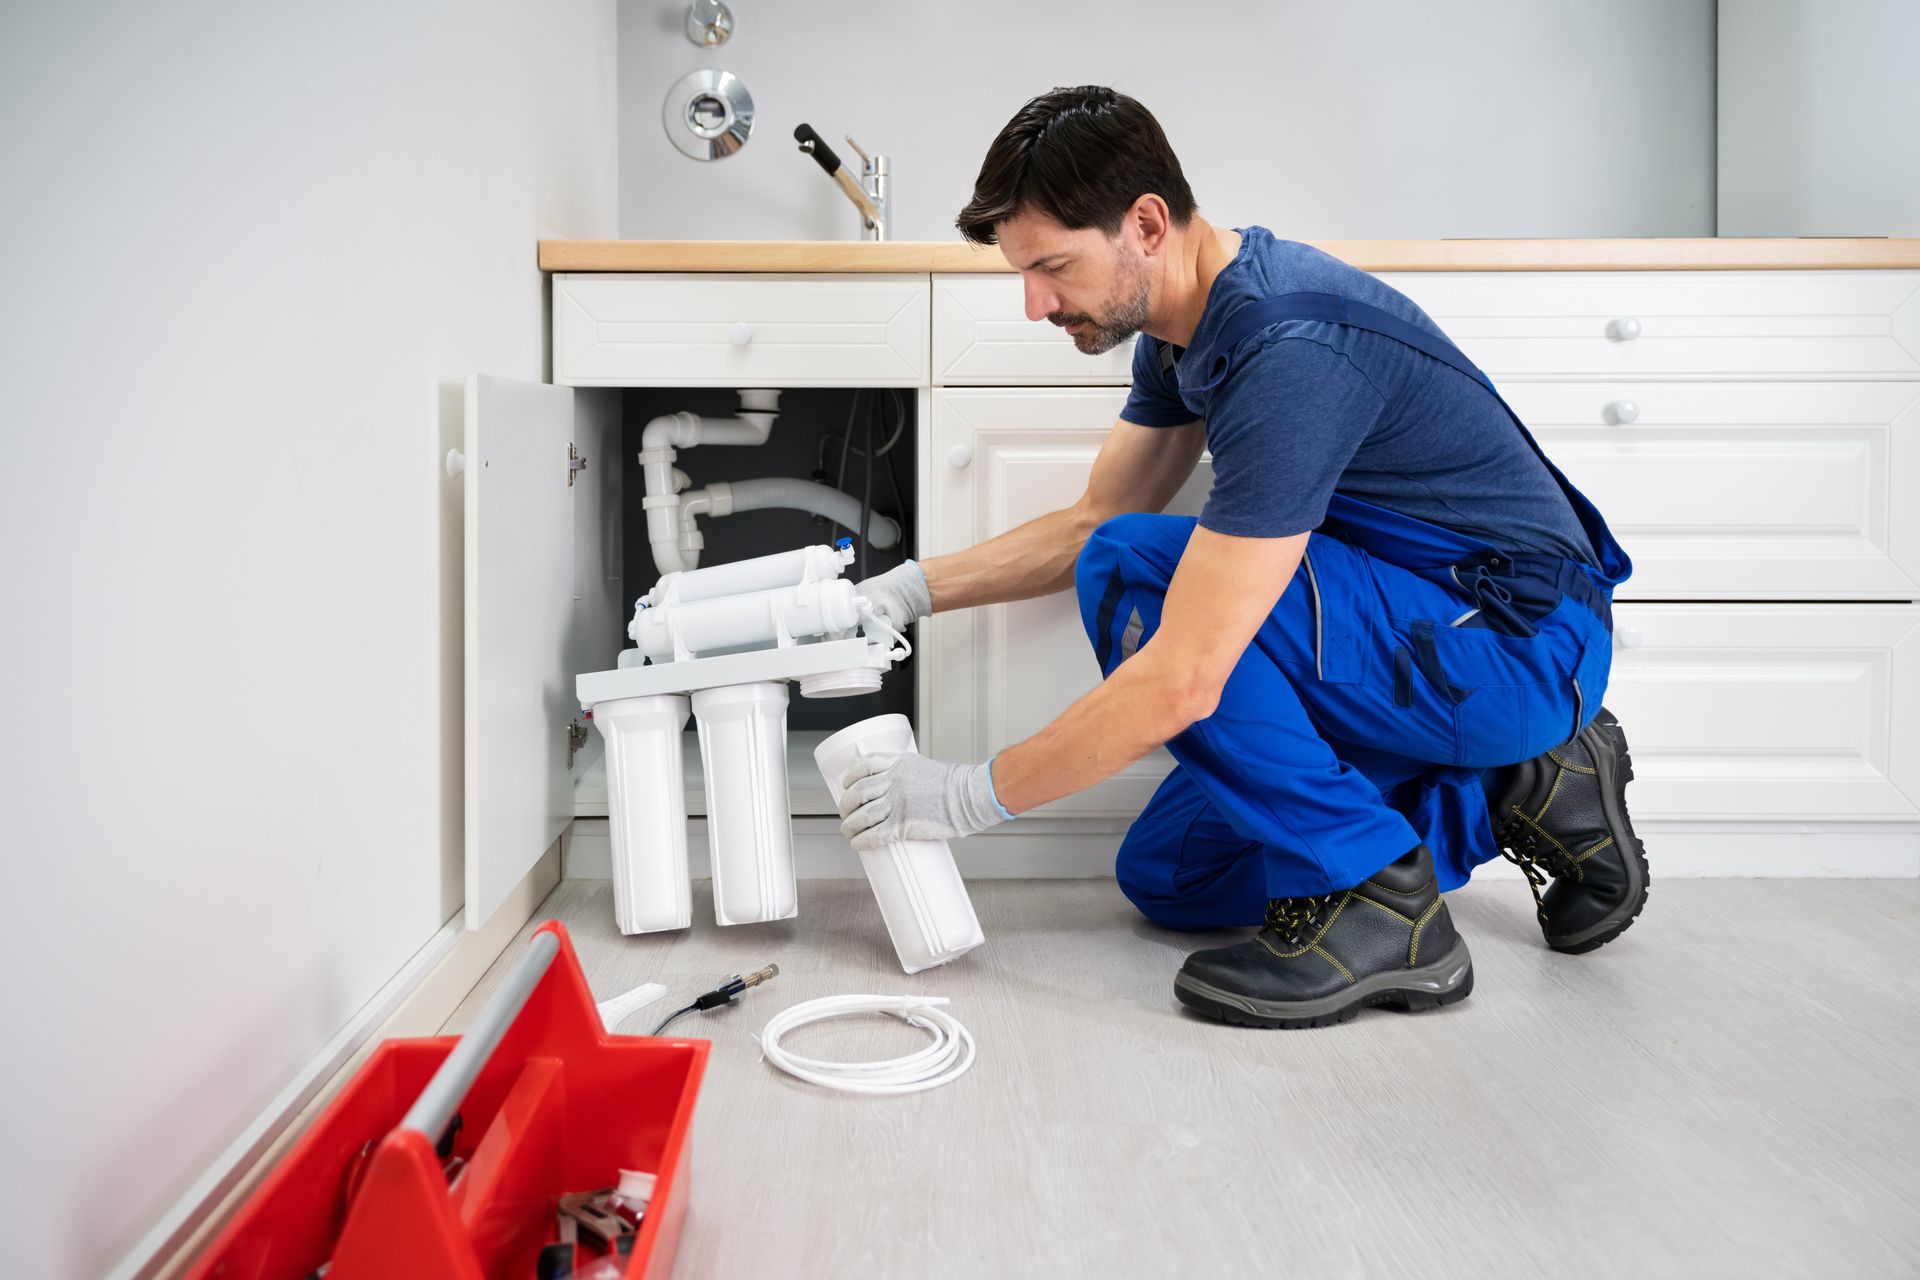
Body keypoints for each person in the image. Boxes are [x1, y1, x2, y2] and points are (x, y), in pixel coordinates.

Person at [840, 86, 1648, 1030]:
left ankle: (1385, 905)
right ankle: (1519, 783)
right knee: (1175, 877)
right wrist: (901, 593)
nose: (1035, 304)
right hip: (1420, 636)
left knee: (1136, 569)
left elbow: (1180, 675)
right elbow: (1090, 515)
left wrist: (964, 797)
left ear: (1146, 223)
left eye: (1053, 267)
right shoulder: (1184, 328)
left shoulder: (1292, 349)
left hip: (1513, 643)